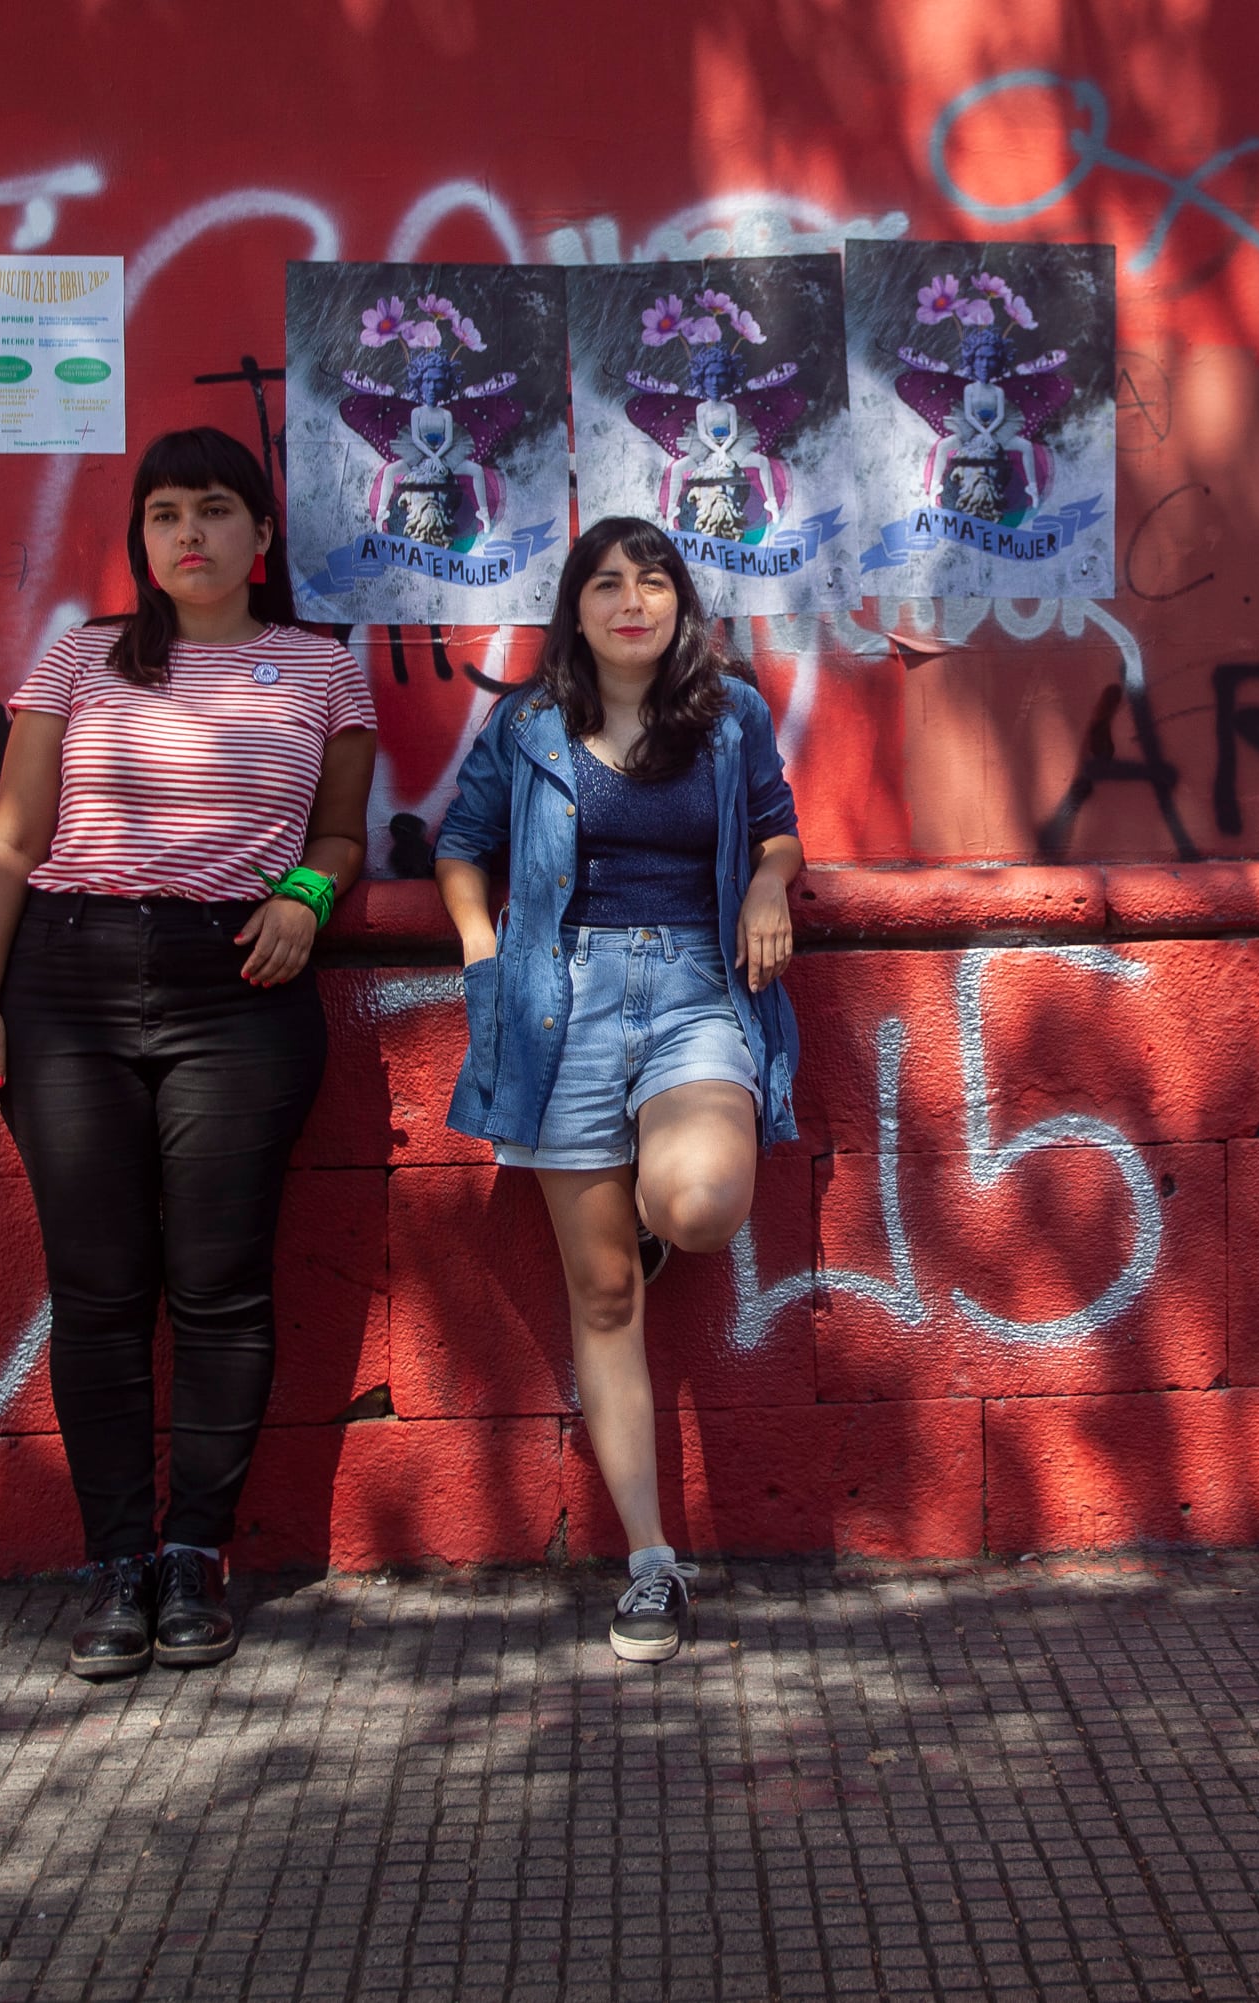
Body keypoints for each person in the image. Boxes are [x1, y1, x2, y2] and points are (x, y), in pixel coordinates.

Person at [0, 426, 375, 1682]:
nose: (189, 533)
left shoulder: (322, 668)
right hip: (68, 982)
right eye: (164, 514)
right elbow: (13, 838)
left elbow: (341, 835)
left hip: (239, 984)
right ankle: (115, 1563)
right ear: (141, 539)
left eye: (215, 509)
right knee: (97, 1289)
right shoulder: (81, 657)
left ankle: (195, 1554)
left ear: (261, 535)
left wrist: (304, 897)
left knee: (219, 1283)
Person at [432, 516, 802, 1665]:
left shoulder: (730, 715)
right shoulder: (530, 723)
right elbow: (462, 842)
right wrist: (482, 956)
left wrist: (767, 888)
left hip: (697, 985)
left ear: (680, 602)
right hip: (562, 1002)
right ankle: (650, 1562)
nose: (630, 601)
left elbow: (779, 831)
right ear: (576, 609)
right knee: (601, 1296)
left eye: (652, 581)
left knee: (701, 1206)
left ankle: (650, 1201)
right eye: (605, 584)